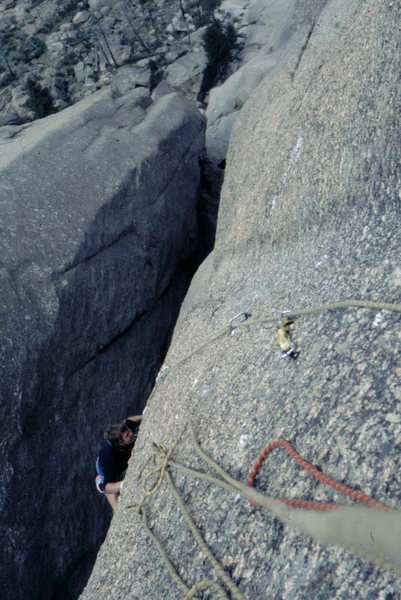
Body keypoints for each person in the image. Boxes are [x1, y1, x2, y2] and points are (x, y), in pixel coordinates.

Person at [96, 415, 143, 509]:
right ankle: (99, 479)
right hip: (104, 466)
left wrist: (144, 416)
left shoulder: (126, 429)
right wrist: (123, 484)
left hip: (120, 458)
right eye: (127, 436)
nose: (131, 433)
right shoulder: (110, 459)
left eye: (129, 430)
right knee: (111, 490)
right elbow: (107, 487)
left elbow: (129, 420)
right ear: (120, 443)